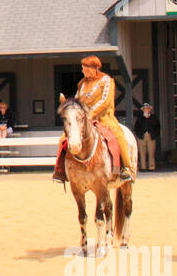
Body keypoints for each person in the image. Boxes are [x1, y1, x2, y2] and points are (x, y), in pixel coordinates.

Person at [53, 55, 134, 184]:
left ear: (94, 68)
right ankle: (60, 170)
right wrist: (70, 105)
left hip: (103, 117)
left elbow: (105, 101)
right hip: (84, 120)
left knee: (117, 136)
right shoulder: (82, 84)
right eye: (83, 68)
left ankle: (126, 168)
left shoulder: (107, 81)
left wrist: (90, 114)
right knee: (63, 138)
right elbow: (77, 101)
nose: (83, 70)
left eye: (85, 68)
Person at [134, 104, 159, 171]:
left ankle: (151, 167)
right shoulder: (140, 118)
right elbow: (136, 127)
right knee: (142, 152)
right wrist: (139, 134)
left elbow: (157, 127)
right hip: (142, 136)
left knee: (151, 152)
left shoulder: (154, 117)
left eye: (147, 109)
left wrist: (155, 134)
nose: (146, 110)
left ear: (150, 110)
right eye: (145, 109)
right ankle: (143, 167)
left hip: (151, 136)